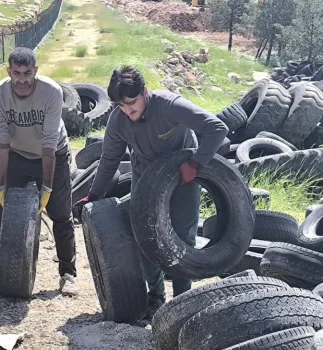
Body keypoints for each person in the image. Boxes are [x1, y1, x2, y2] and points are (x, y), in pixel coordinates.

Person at [73, 65, 228, 319]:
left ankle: (183, 302)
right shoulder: (118, 120)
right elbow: (109, 160)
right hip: (145, 180)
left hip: (183, 178)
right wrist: (93, 194)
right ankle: (156, 296)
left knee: (182, 240)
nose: (128, 110)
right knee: (146, 238)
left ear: (145, 91)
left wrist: (196, 163)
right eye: (121, 106)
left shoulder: (169, 105)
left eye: (132, 103)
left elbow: (216, 128)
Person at [0, 47, 78, 297]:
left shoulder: (51, 92)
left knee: (61, 215)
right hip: (18, 154)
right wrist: (1, 186)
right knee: (2, 211)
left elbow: (49, 143)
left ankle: (68, 273)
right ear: (8, 72)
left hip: (53, 153)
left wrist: (46, 189)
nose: (22, 79)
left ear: (36, 71)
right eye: (17, 73)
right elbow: (0, 144)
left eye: (27, 73)